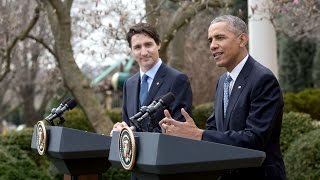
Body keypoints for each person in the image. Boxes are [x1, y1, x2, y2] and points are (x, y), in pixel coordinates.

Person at [159, 15, 286, 179]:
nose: (212, 45)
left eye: (219, 37)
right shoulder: (223, 81)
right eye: (210, 40)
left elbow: (254, 139)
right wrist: (184, 134)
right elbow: (214, 129)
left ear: (242, 40)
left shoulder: (263, 79)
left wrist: (199, 134)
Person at [112, 22, 192, 133]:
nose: (144, 52)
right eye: (137, 47)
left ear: (158, 44)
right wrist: (121, 131)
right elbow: (128, 125)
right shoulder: (129, 84)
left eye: (148, 45)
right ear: (131, 51)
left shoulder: (178, 80)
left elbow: (180, 129)